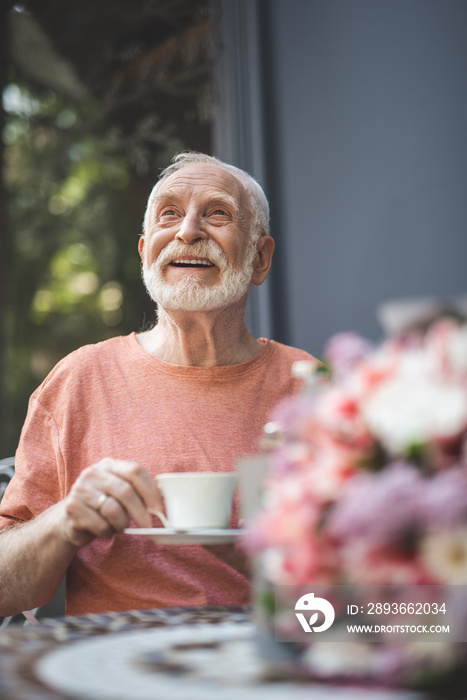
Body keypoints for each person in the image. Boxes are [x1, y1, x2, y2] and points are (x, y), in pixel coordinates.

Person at [0, 152, 317, 617]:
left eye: (217, 213)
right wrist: (63, 520)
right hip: (110, 672)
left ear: (260, 258)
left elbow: (380, 592)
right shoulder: (77, 380)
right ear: (147, 250)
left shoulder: (313, 388)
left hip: (268, 663)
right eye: (170, 214)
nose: (188, 231)